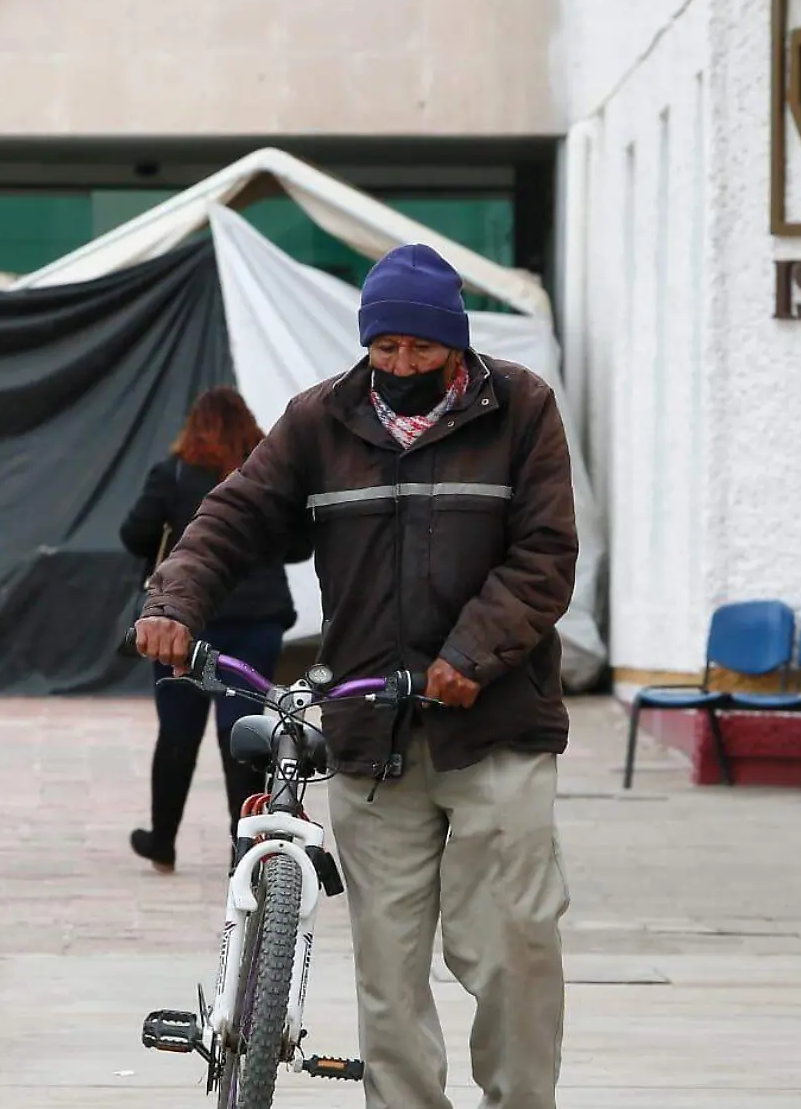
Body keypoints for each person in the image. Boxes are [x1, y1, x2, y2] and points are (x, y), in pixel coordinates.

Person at [133, 243, 577, 1109]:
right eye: (385, 349)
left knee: (514, 948)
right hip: (372, 733)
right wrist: (173, 603)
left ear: (456, 343)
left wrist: (467, 659)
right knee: (387, 967)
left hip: (495, 728)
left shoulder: (521, 409)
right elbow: (231, 515)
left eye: (420, 349)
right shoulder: (321, 420)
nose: (402, 366)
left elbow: (545, 556)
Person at [119, 386, 303, 872]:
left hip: (183, 624)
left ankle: (162, 840)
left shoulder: (174, 474)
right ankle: (242, 849)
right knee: (242, 731)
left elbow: (133, 533)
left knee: (177, 731)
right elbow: (301, 543)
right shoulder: (264, 477)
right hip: (257, 621)